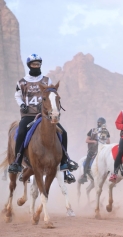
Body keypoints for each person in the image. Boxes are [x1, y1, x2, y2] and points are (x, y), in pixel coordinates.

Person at [8, 54, 77, 183]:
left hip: (45, 114)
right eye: (34, 64)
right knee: (21, 132)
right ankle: (17, 162)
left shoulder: (46, 80)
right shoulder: (22, 81)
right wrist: (22, 104)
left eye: (38, 64)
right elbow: (17, 95)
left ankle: (64, 162)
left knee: (63, 132)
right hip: (28, 114)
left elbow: (52, 94)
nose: (36, 66)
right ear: (29, 65)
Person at [79, 117, 111, 183]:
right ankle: (84, 176)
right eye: (98, 122)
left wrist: (103, 141)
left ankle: (110, 176)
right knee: (87, 160)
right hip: (93, 150)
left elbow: (108, 141)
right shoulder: (93, 130)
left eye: (101, 123)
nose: (99, 124)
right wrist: (94, 141)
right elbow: (87, 140)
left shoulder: (105, 131)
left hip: (102, 150)